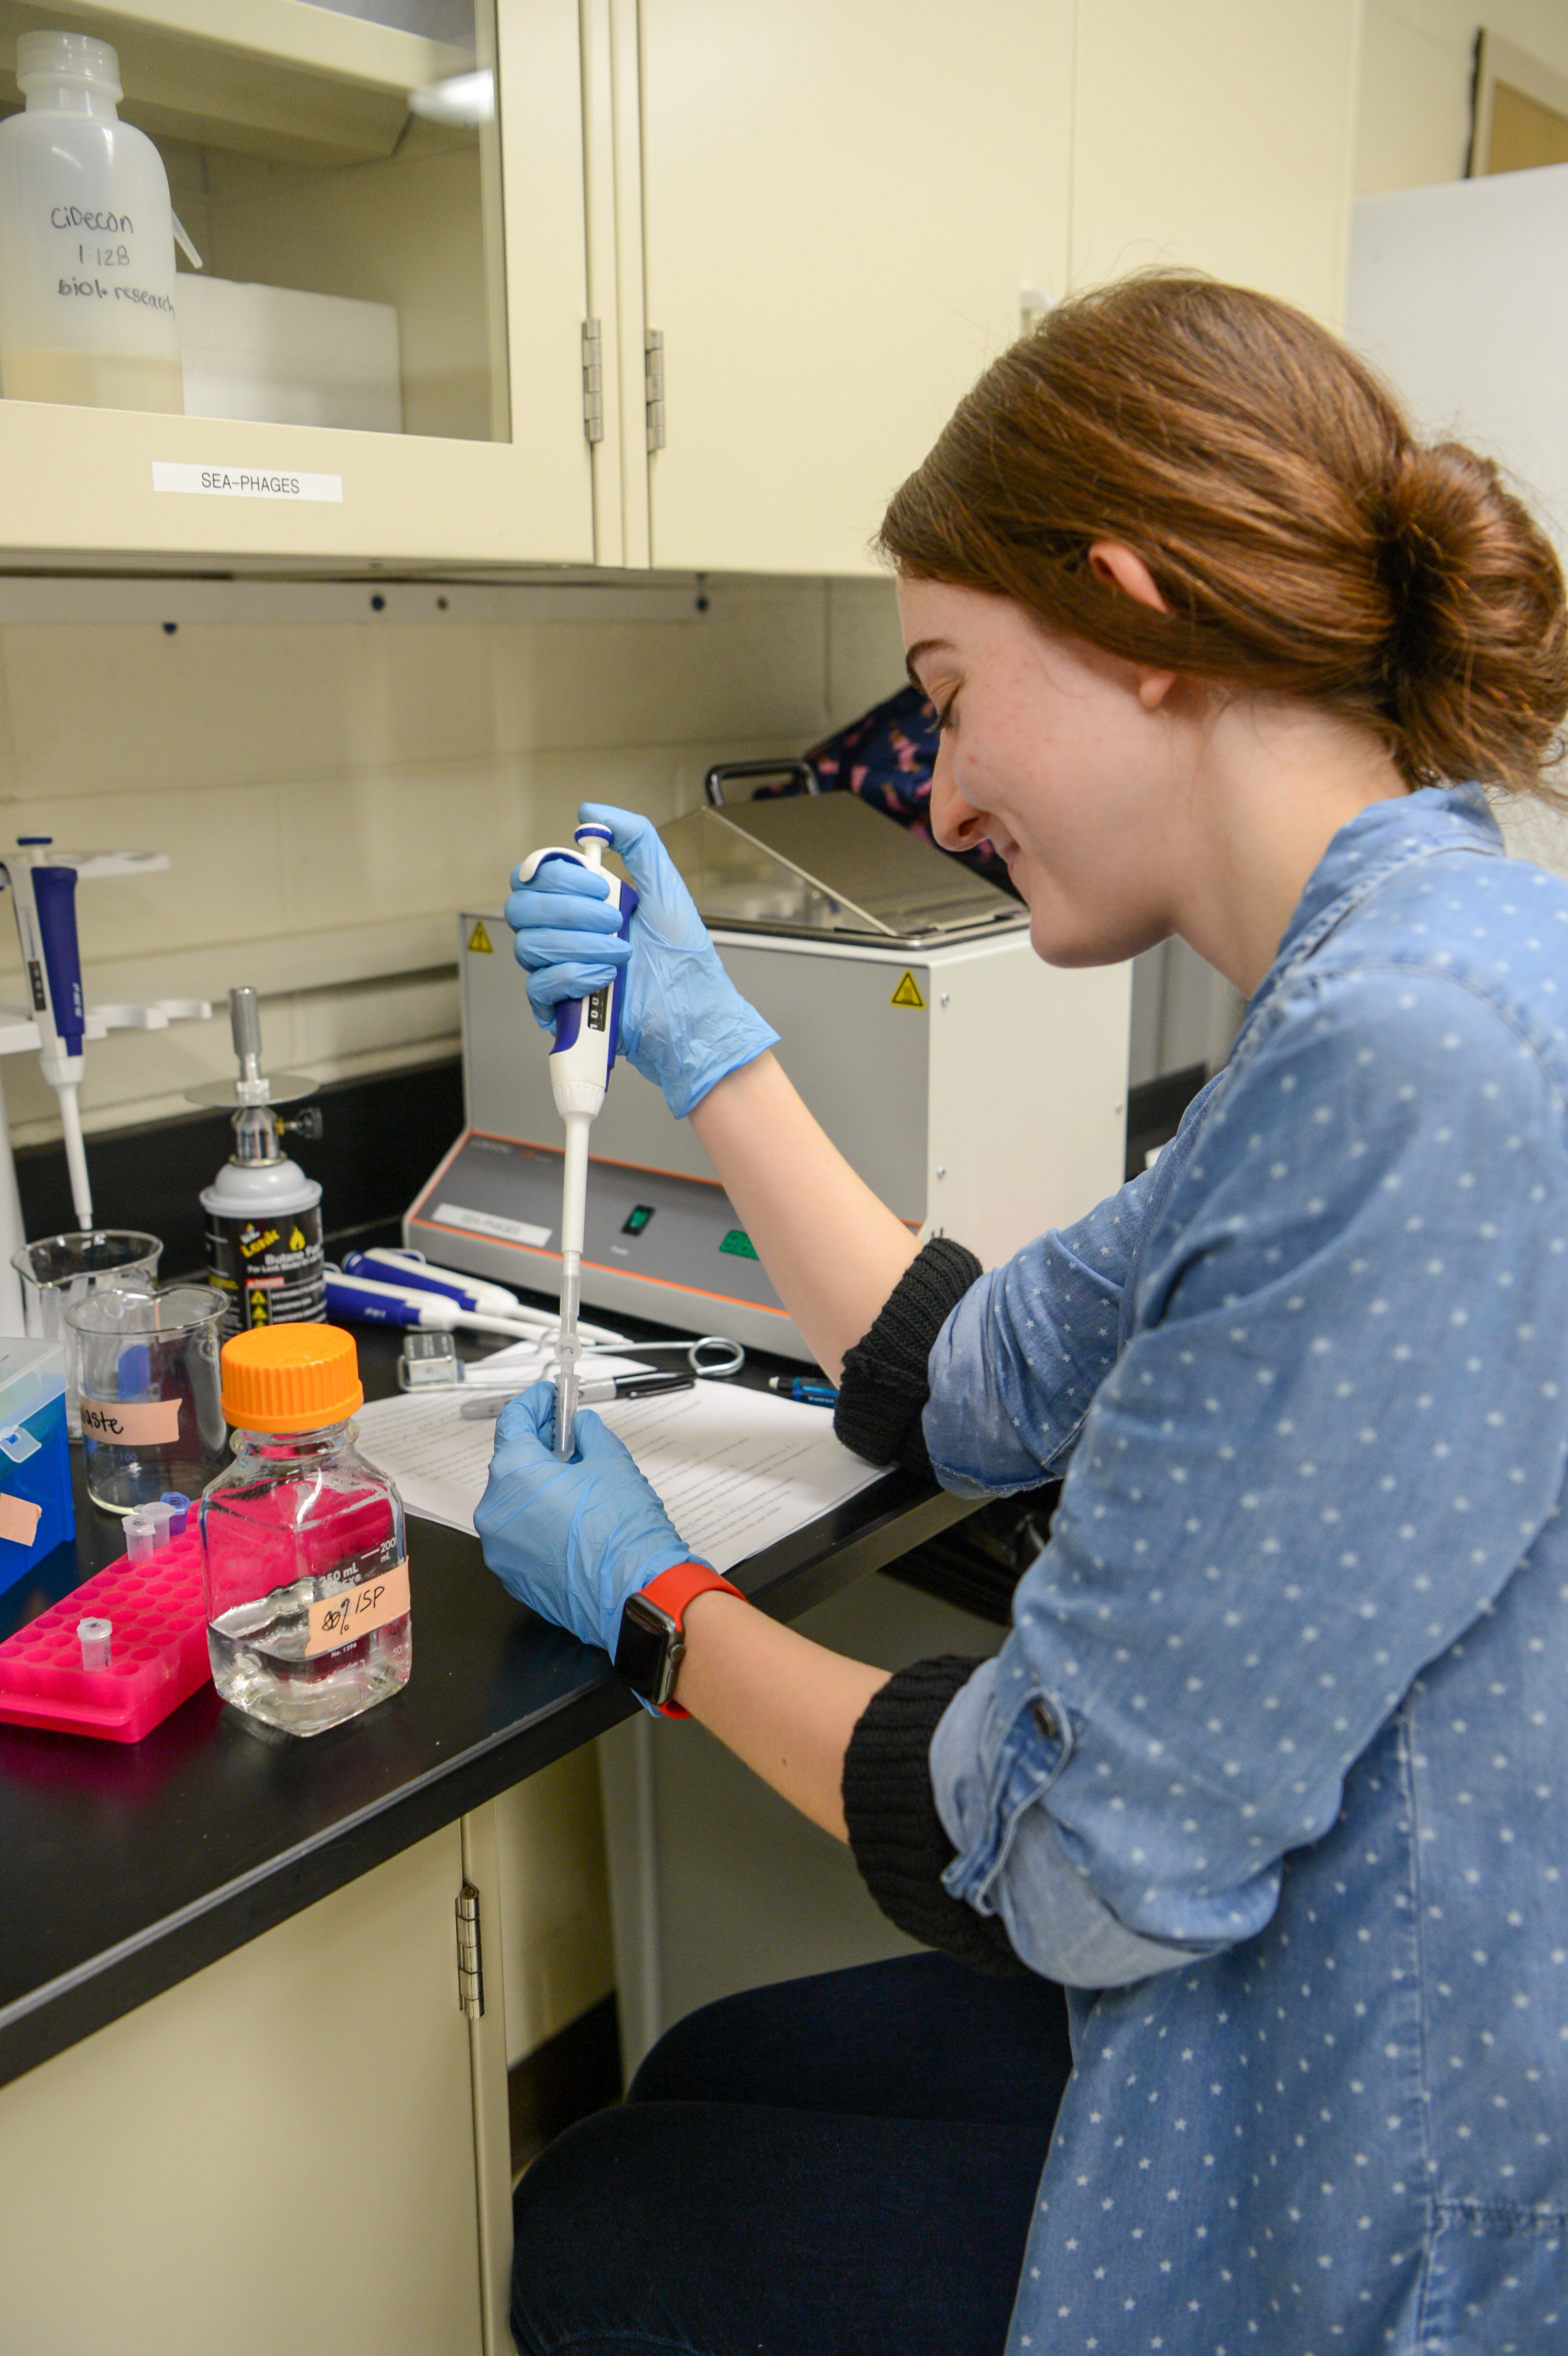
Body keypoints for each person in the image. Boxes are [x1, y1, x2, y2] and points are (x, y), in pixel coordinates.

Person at [478, 274, 1568, 2356]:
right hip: (1317, 1985)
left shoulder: (1399, 1054)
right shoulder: (1403, 968)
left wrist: (653, 1606)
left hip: (1388, 2184)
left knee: (612, 2207)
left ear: (1134, 612)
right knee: (716, 2071)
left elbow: (1063, 1857)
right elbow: (970, 1383)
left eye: (950, 691)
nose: (940, 790)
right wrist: (710, 1035)